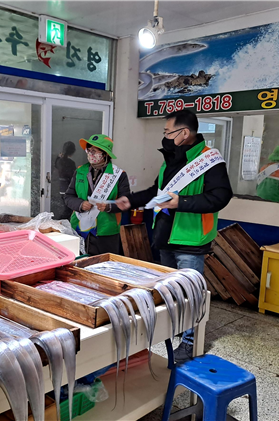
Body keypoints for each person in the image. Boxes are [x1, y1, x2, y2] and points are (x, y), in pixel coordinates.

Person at [116, 110, 233, 361]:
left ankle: (190, 341)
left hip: (190, 238)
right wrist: (131, 199)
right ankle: (179, 330)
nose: (165, 137)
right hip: (165, 235)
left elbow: (220, 197)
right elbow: (156, 192)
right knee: (171, 291)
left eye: (168, 132)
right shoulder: (171, 159)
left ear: (184, 133)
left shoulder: (209, 161)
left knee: (190, 294)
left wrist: (182, 201)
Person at [65, 134, 130, 255]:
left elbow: (126, 202)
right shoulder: (80, 171)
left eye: (94, 151)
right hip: (79, 228)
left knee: (104, 266)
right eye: (88, 150)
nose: (90, 154)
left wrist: (109, 206)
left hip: (106, 231)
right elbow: (68, 197)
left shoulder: (119, 175)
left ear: (104, 153)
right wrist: (80, 204)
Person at [54, 141, 77, 220]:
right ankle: (62, 223)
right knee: (68, 209)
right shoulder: (70, 163)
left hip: (60, 186)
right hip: (68, 187)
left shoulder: (58, 160)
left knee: (66, 208)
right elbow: (73, 176)